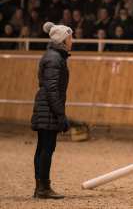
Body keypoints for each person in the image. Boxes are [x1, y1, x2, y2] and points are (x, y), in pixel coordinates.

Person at [31, 22, 73, 199]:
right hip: (48, 108)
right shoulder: (55, 59)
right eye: (70, 37)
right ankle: (43, 188)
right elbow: (52, 89)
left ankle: (41, 186)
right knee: (46, 147)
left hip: (46, 107)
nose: (72, 41)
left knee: (43, 147)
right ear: (63, 40)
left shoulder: (54, 56)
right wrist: (60, 115)